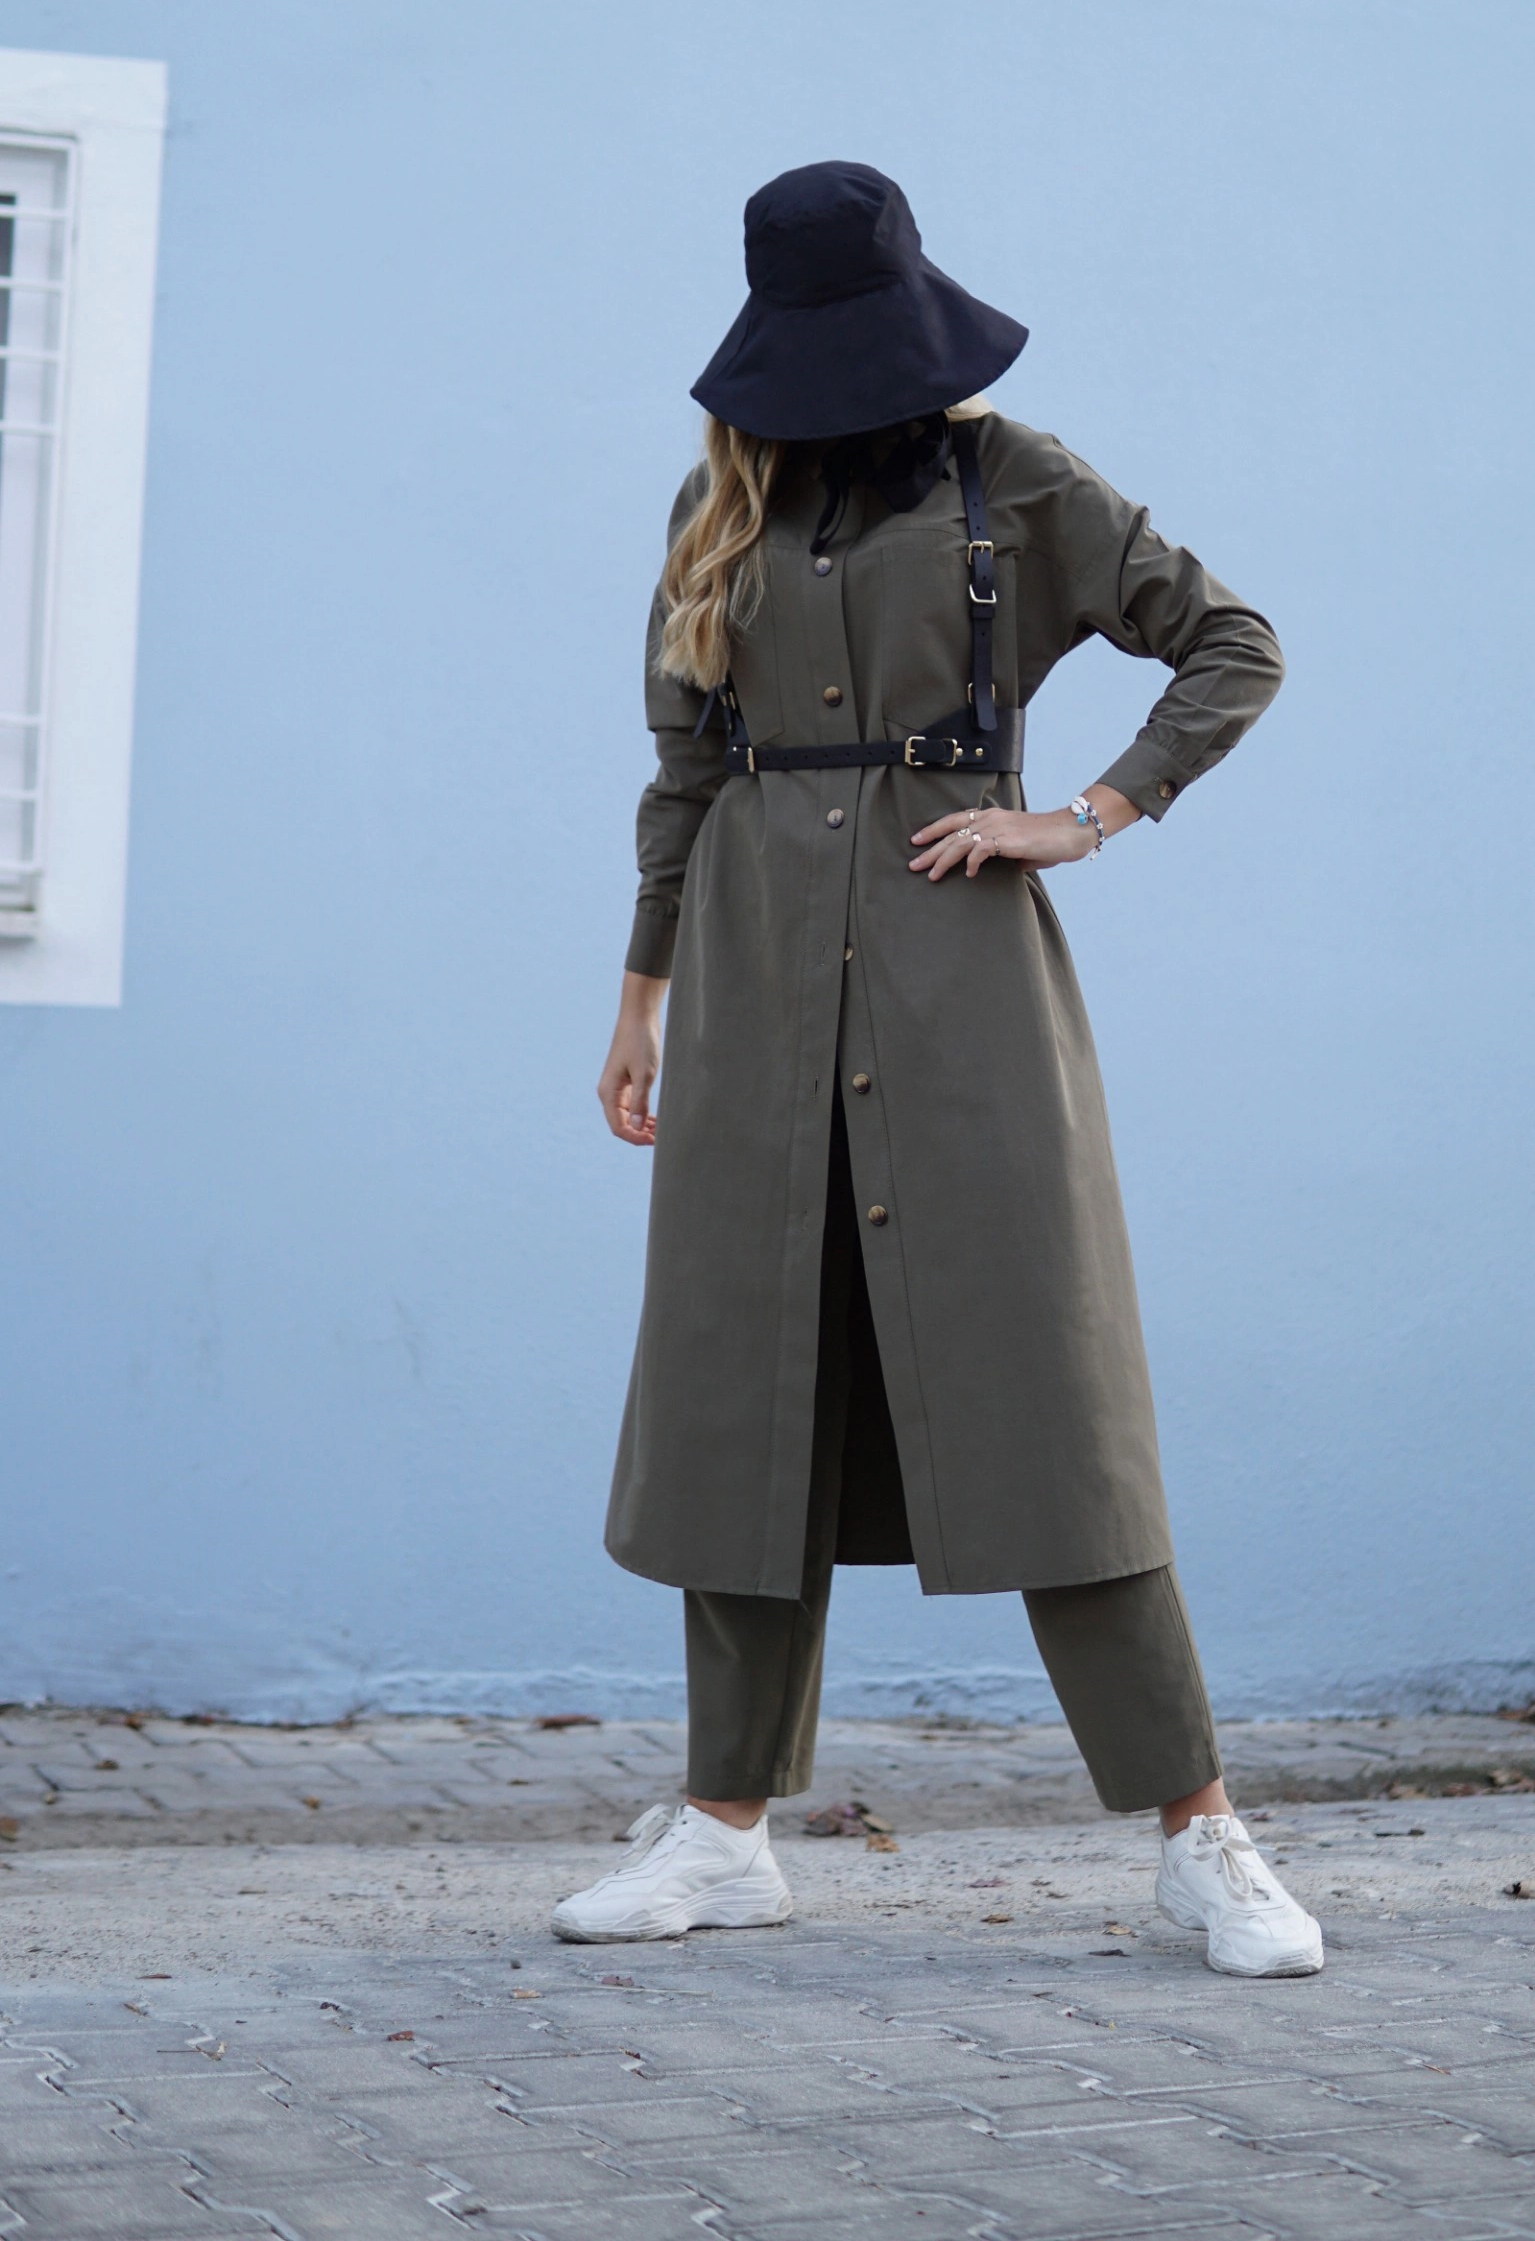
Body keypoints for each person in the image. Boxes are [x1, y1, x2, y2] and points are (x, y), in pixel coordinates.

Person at [551, 161, 1319, 1978]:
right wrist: (641, 993)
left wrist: (1086, 816)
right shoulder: (718, 502)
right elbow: (683, 773)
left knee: (1055, 1396)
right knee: (742, 1396)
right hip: (750, 985)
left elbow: (1232, 644)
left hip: (961, 993)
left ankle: (1203, 1840)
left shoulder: (1014, 482)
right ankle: (723, 1834)